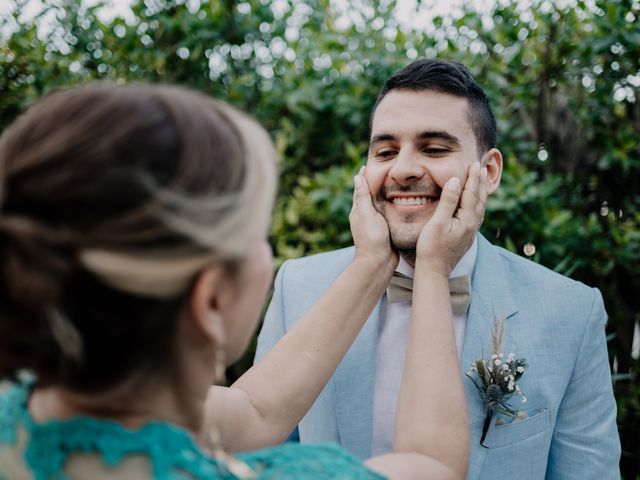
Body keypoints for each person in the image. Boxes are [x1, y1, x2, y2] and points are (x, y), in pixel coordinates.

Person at [0, 83, 487, 479]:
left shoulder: (22, 412)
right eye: (258, 232)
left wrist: (373, 264)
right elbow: (433, 465)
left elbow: (254, 411)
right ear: (210, 299)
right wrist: (433, 269)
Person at [256, 58, 621, 479]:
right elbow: (261, 461)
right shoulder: (298, 287)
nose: (404, 169)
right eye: (385, 151)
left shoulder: (571, 312)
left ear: (488, 172)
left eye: (434, 149)